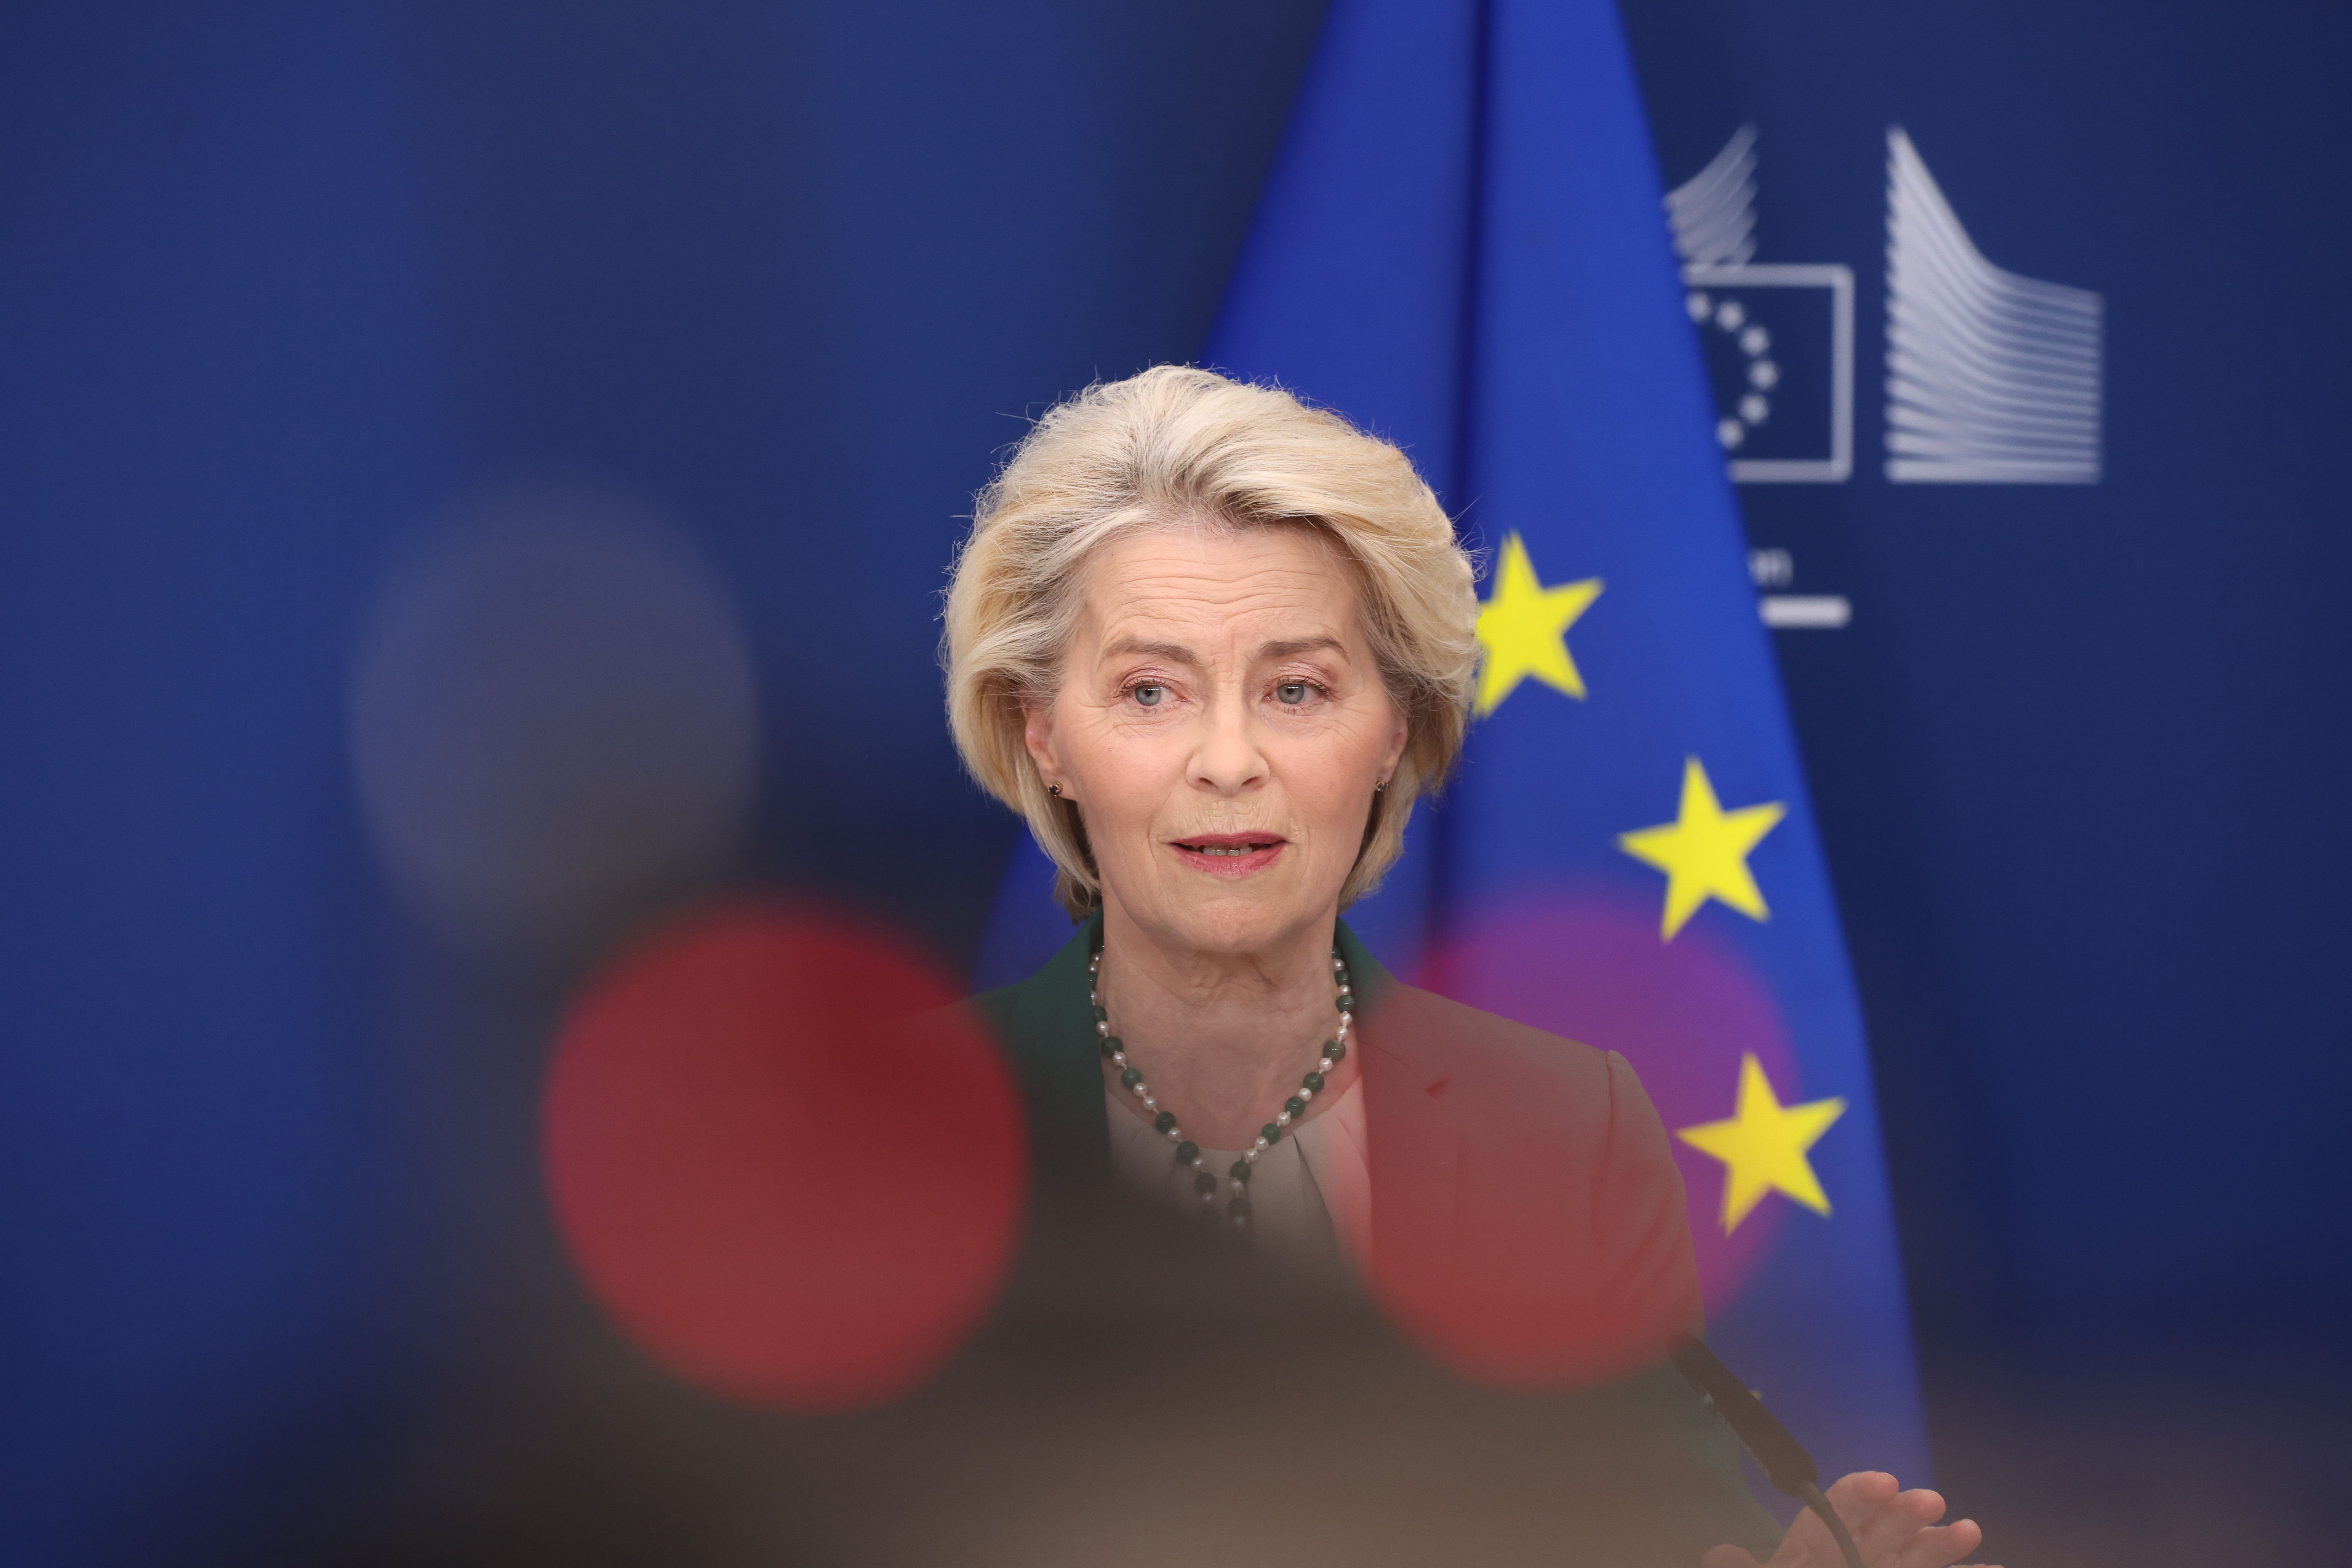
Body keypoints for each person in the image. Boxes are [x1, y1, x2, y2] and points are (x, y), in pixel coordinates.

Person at [940, 365, 1993, 1568]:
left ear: (1396, 728)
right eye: (1149, 691)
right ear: (1043, 734)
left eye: (1296, 689)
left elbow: (1663, 1532)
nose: (1227, 760)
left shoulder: (1568, 1132)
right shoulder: (885, 1132)